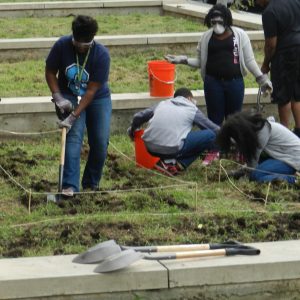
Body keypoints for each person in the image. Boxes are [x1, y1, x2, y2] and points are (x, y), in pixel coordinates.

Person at [165, 4, 272, 164]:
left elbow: (249, 60)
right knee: (214, 119)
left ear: (227, 20)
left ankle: (238, 150)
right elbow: (200, 62)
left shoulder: (240, 35)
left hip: (234, 83)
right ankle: (215, 150)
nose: (216, 25)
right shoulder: (206, 37)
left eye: (219, 22)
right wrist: (183, 60)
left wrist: (261, 79)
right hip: (213, 83)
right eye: (213, 22)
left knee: (235, 118)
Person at [45, 15, 112, 197]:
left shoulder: (102, 55)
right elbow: (50, 71)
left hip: (97, 98)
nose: (81, 47)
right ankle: (70, 187)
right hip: (69, 94)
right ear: (73, 36)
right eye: (77, 42)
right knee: (73, 137)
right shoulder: (62, 46)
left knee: (100, 142)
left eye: (86, 44)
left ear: (92, 39)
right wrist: (58, 96)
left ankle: (91, 183)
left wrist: (74, 116)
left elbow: (90, 92)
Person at [127, 88, 220, 176]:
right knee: (210, 135)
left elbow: (138, 116)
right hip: (172, 148)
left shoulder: (163, 104)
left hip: (149, 148)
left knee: (182, 138)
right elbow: (214, 129)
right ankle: (175, 163)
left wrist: (132, 130)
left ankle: (170, 163)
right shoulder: (192, 109)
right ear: (189, 98)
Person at [216, 111, 300, 184]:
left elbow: (252, 165)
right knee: (258, 171)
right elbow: (251, 163)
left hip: (292, 160)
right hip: (282, 157)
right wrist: (237, 172)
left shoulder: (262, 132)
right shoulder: (257, 129)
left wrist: (241, 175)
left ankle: (294, 179)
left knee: (257, 176)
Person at [256, 0, 300, 138]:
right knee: (297, 94)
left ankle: (285, 134)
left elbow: (271, 44)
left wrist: (265, 64)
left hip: (284, 55)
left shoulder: (269, 12)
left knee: (283, 96)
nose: (256, 2)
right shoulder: (295, 2)